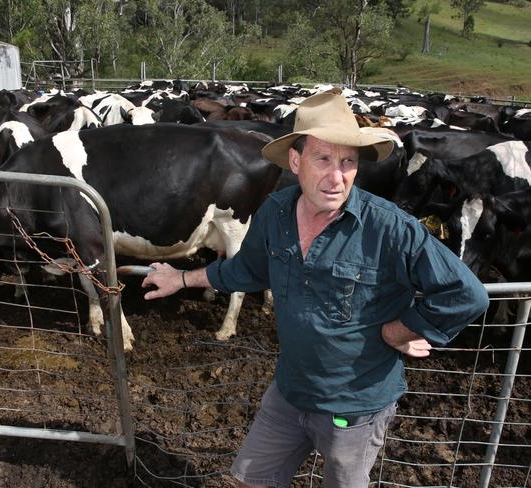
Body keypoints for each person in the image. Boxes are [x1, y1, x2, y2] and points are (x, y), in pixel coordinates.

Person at [141, 92, 489, 488]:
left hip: (355, 408)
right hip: (289, 391)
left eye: (348, 162)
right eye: (323, 159)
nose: (337, 176)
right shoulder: (275, 212)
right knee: (252, 480)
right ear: (296, 160)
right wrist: (183, 278)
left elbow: (467, 295)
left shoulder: (390, 228)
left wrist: (400, 330)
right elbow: (246, 270)